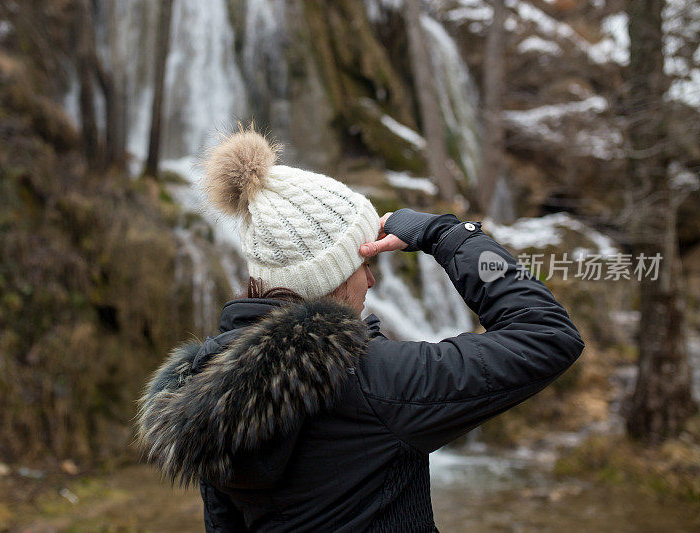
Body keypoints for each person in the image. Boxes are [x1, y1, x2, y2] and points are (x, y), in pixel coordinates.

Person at [135, 124, 585, 532]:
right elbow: (545, 333)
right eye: (363, 263)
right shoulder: (374, 383)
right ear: (326, 276)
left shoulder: (208, 390)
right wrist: (451, 236)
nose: (371, 279)